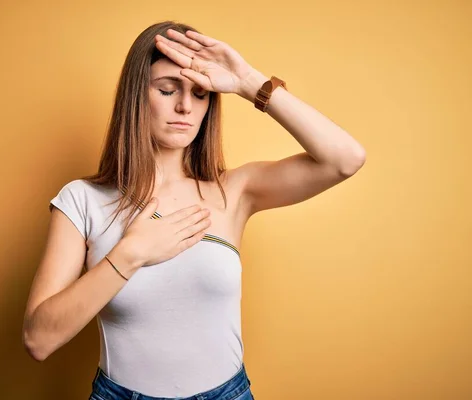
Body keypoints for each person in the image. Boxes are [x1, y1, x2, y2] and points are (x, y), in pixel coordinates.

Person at [22, 20, 366, 400]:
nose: (185, 106)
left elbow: (345, 159)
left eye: (200, 94)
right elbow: (39, 340)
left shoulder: (233, 191)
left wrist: (249, 82)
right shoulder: (82, 199)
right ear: (137, 96)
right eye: (167, 90)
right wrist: (130, 254)